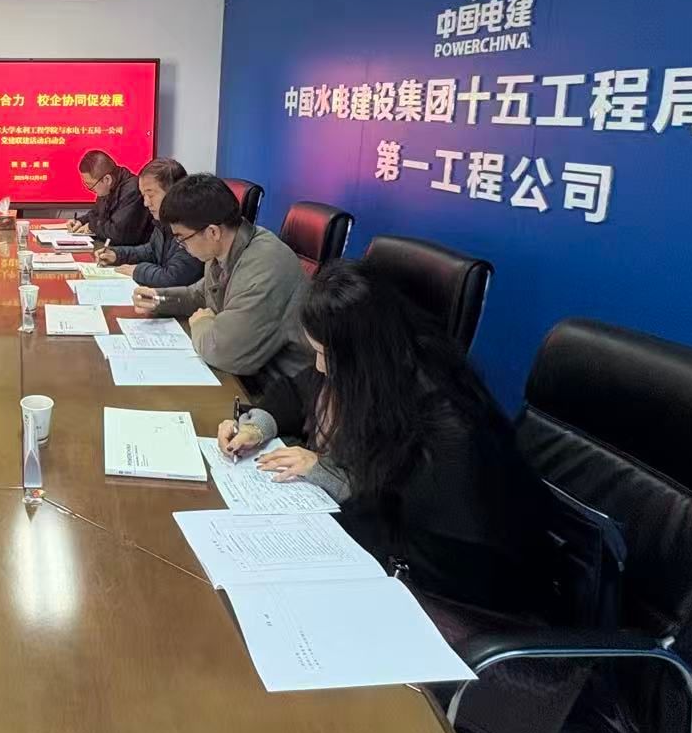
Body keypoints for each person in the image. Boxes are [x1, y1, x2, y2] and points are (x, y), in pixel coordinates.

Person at [217, 260, 551, 615]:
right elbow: (298, 390)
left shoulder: (443, 423)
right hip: (385, 557)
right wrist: (256, 426)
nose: (318, 366)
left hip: (458, 600)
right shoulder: (370, 368)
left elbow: (432, 544)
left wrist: (331, 479)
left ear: (361, 350)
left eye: (324, 355)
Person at [131, 173, 309, 383]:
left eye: (182, 239)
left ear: (213, 232)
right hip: (247, 376)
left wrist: (202, 323)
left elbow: (225, 352)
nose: (182, 246)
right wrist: (158, 299)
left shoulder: (264, 265)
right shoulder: (224, 249)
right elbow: (201, 294)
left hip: (279, 387)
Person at [94, 157, 203, 287]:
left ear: (174, 192)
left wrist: (137, 271)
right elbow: (151, 250)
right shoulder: (163, 221)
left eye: (150, 195)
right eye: (143, 196)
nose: (146, 203)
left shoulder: (190, 226)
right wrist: (117, 255)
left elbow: (174, 277)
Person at [68, 149, 152, 246]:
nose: (90, 189)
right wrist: (81, 221)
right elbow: (96, 213)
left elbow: (118, 233)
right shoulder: (108, 188)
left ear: (107, 179)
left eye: (90, 185)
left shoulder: (132, 191)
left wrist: (92, 227)